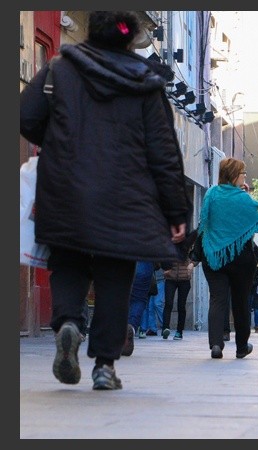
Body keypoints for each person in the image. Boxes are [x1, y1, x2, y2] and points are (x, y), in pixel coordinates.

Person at [19, 11, 189, 390]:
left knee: (68, 260)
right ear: (130, 40)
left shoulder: (60, 68)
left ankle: (68, 324)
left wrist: (58, 142)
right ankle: (105, 366)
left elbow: (26, 116)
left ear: (91, 32)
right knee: (115, 274)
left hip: (64, 186)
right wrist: (176, 210)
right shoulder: (145, 82)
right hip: (124, 195)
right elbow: (163, 152)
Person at [198, 158, 258, 359]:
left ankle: (216, 344)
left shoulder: (211, 193)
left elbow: (204, 222)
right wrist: (246, 195)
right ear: (235, 175)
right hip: (240, 257)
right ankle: (241, 347)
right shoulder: (243, 198)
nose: (245, 176)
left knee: (217, 299)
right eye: (243, 173)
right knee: (240, 301)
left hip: (213, 255)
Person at [161, 255, 194, 341]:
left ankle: (179, 331)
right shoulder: (170, 246)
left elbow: (197, 255)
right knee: (168, 303)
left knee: (181, 306)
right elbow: (161, 254)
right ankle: (165, 328)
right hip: (170, 278)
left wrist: (192, 264)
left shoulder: (188, 247)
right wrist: (164, 267)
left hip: (184, 279)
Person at [140, 264, 165, 338]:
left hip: (159, 279)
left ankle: (165, 325)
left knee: (158, 304)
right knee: (149, 306)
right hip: (149, 280)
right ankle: (152, 328)